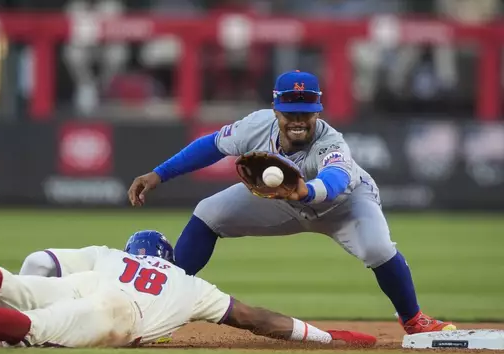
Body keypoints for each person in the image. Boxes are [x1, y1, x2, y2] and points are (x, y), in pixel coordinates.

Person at [127, 70, 456, 335]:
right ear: (276, 109)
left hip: (346, 204)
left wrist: (305, 192)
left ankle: (414, 320)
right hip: (285, 200)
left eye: (306, 111)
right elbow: (210, 146)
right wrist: (159, 174)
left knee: (378, 249)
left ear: (318, 111)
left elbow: (336, 180)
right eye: (290, 111)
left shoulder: (331, 141)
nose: (298, 118)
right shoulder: (256, 126)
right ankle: (160, 303)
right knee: (208, 214)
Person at [0, 226, 375, 349]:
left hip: (87, 282)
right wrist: (325, 336)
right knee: (35, 333)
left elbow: (40, 262)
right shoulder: (191, 285)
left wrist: (24, 287)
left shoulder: (113, 254)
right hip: (119, 313)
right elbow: (256, 318)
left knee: (8, 284)